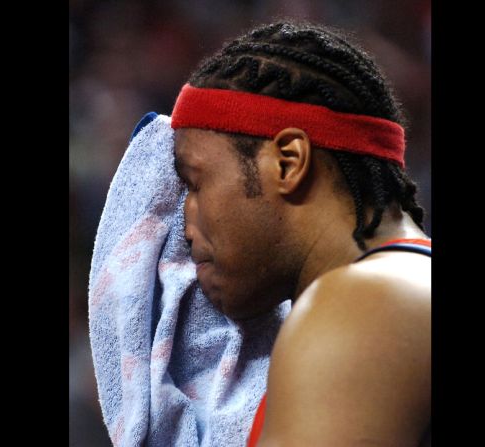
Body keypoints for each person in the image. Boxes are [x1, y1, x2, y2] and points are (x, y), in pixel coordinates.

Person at [171, 20, 431, 446]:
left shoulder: (362, 303)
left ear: (288, 163)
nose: (184, 225)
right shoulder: (401, 285)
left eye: (195, 183)